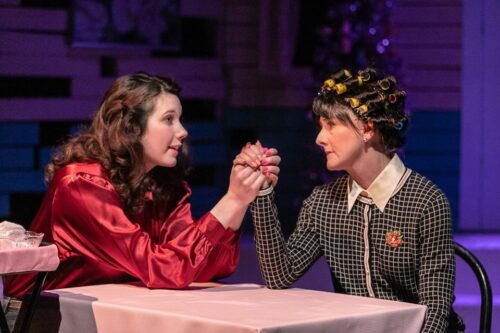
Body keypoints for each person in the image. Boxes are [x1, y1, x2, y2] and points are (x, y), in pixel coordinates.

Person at [3, 72, 280, 319]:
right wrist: (231, 199)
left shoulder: (165, 185)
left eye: (180, 120)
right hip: (42, 317)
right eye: (169, 119)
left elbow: (208, 267)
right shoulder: (81, 185)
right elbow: (165, 269)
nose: (183, 132)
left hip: (119, 311)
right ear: (131, 127)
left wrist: (243, 197)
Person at [236, 68, 463, 333]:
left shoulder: (425, 201)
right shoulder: (324, 202)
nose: (319, 139)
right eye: (321, 126)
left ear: (367, 128)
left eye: (331, 125)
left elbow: (436, 310)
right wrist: (262, 192)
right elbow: (279, 275)